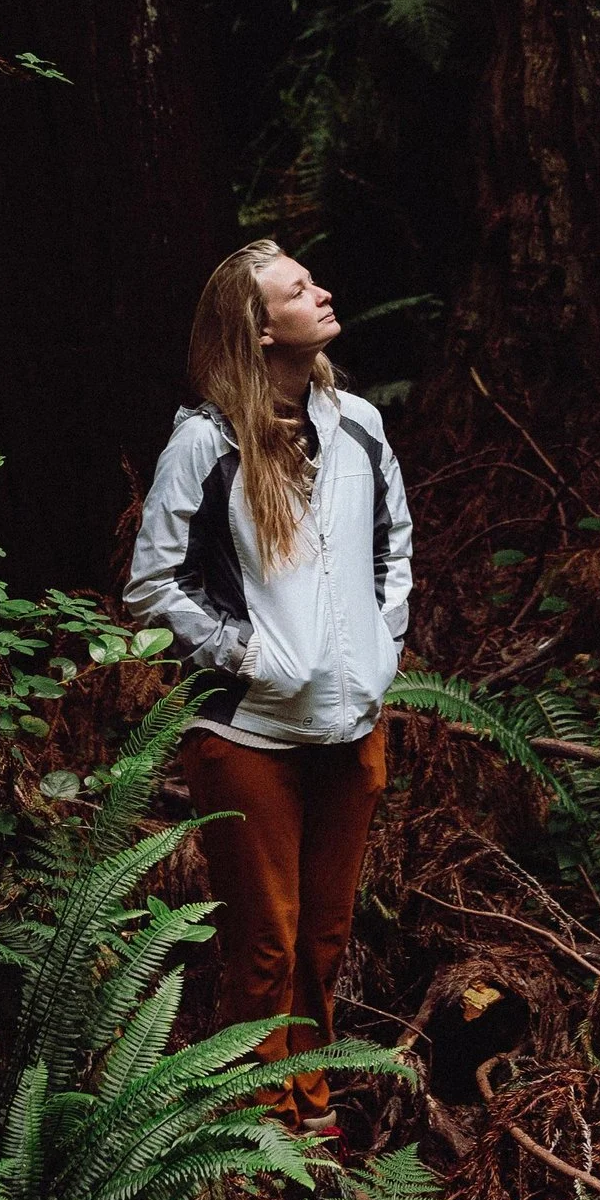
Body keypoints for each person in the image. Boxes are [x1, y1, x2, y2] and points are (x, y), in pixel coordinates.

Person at [124, 239, 413, 1141]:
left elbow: (394, 546)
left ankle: (312, 1110)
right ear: (258, 326)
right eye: (299, 289)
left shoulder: (358, 423)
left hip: (352, 726)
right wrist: (253, 656)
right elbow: (152, 584)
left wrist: (380, 652)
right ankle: (250, 1133)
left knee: (323, 941)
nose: (322, 293)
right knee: (265, 944)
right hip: (250, 734)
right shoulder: (205, 442)